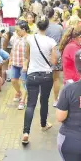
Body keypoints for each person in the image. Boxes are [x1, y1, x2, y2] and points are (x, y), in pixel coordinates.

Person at [22, 16, 58, 144]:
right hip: (46, 75)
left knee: (31, 104)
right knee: (44, 101)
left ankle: (26, 132)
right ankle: (43, 124)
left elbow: (26, 55)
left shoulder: (29, 38)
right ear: (47, 27)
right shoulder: (51, 42)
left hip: (32, 74)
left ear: (37, 26)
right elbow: (54, 61)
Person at [45, 7, 64, 107]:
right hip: (56, 53)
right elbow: (62, 42)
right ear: (54, 15)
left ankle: (44, 100)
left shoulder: (43, 27)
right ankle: (55, 100)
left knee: (45, 79)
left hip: (45, 54)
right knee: (56, 78)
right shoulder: (59, 27)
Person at [9, 21, 29, 110]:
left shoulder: (29, 39)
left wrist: (26, 65)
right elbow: (12, 50)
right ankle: (18, 92)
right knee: (13, 80)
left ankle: (23, 101)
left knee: (24, 82)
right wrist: (10, 60)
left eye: (18, 30)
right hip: (15, 63)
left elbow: (29, 54)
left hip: (24, 64)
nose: (16, 31)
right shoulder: (15, 38)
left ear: (24, 29)